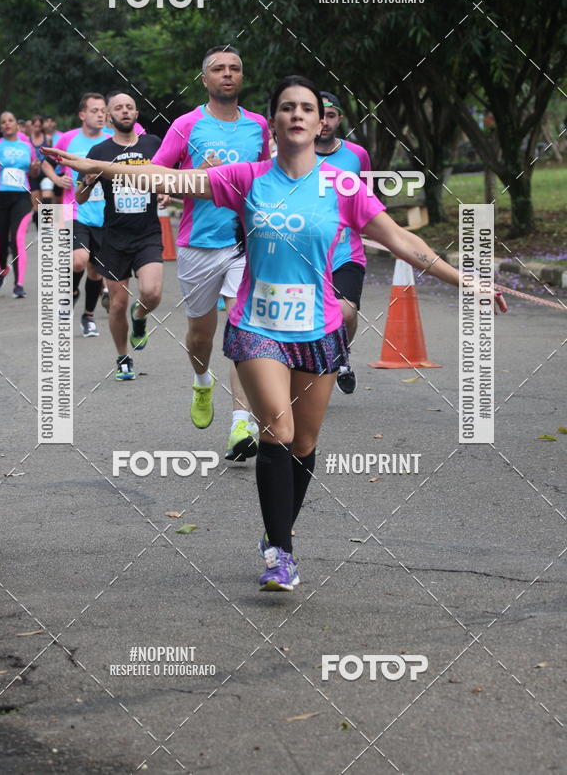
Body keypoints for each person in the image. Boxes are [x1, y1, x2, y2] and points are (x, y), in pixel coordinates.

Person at [43, 74, 508, 592]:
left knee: (304, 443)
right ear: (274, 122)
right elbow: (168, 179)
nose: (297, 115)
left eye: (307, 108)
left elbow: (402, 241)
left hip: (318, 328)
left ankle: (276, 533)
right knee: (278, 433)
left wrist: (468, 281)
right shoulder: (247, 178)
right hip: (256, 326)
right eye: (287, 107)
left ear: (320, 121)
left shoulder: (343, 186)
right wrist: (96, 166)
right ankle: (280, 554)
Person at [152, 45, 271, 461]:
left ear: (242, 77)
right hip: (198, 243)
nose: (227, 74)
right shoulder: (186, 125)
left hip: (246, 243)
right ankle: (202, 381)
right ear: (205, 80)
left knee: (245, 329)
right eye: (219, 69)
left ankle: (241, 423)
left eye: (234, 68)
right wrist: (194, 176)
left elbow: (268, 175)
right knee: (201, 335)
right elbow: (156, 175)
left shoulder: (259, 126)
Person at [75, 92, 162, 379]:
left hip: (147, 233)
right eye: (118, 108)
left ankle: (140, 316)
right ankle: (123, 357)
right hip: (114, 237)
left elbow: (170, 177)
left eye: (129, 107)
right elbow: (80, 197)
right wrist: (87, 183)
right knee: (117, 303)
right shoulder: (99, 151)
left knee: (151, 292)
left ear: (136, 114)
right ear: (110, 117)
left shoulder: (153, 144)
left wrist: (165, 192)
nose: (124, 111)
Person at [315, 90, 371, 395]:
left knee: (345, 313)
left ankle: (341, 355)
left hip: (345, 251)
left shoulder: (357, 155)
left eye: (331, 115)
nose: (324, 121)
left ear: (340, 119)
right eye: (319, 115)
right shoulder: (291, 155)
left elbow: (369, 199)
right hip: (305, 253)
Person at [41, 93, 111, 334]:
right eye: (94, 110)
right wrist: (55, 178)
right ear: (82, 114)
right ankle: (69, 294)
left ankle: (88, 316)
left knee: (95, 271)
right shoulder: (68, 139)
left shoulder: (111, 141)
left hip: (105, 215)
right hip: (75, 211)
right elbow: (46, 162)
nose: (100, 115)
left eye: (103, 111)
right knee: (78, 260)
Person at [0, 111, 37, 297]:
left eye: (10, 120)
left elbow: (34, 173)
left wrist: (35, 168)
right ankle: (3, 269)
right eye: (3, 122)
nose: (7, 124)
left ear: (17, 125)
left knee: (17, 239)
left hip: (21, 198)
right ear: (1, 127)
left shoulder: (27, 146)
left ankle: (19, 285)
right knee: (1, 243)